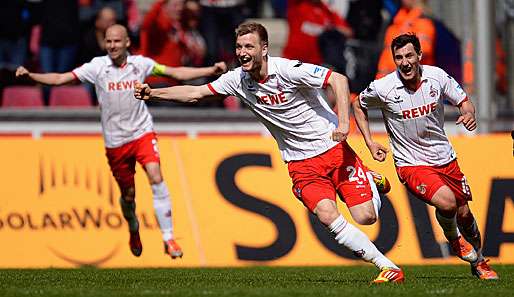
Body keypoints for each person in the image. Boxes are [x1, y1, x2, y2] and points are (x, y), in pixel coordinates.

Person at [134, 21, 403, 283]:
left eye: (249, 47)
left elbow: (339, 80)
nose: (242, 53)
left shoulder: (287, 70)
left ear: (264, 49)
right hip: (299, 162)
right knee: (327, 215)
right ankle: (388, 267)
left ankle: (368, 178)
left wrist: (344, 122)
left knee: (365, 217)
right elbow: (196, 92)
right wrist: (155, 95)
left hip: (332, 149)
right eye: (239, 47)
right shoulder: (237, 80)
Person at [16, 24, 228, 260]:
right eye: (108, 42)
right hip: (116, 143)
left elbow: (175, 73)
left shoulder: (141, 64)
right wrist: (31, 76)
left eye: (116, 41)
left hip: (142, 133)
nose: (112, 46)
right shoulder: (97, 67)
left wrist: (210, 70)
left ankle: (168, 237)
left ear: (127, 42)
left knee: (156, 175)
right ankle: (133, 227)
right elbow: (60, 78)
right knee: (128, 196)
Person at [353, 33, 499, 280]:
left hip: (445, 158)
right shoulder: (384, 87)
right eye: (398, 57)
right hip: (411, 164)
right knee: (447, 202)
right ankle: (454, 241)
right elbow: (358, 104)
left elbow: (464, 101)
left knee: (464, 214)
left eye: (409, 55)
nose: (404, 62)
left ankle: (480, 261)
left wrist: (469, 114)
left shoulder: (437, 77)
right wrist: (369, 142)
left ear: (419, 56)